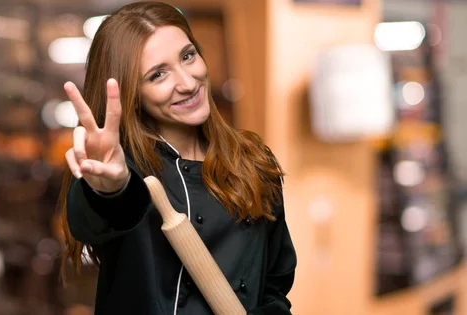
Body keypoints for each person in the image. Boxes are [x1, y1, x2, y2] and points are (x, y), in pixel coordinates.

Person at [57, 2, 297, 315]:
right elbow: (91, 222)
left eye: (188, 55)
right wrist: (110, 190)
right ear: (133, 94)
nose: (187, 82)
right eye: (158, 75)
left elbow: (274, 287)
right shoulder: (124, 169)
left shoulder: (253, 162)